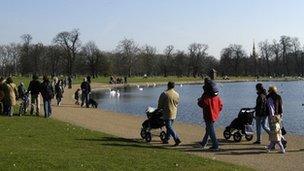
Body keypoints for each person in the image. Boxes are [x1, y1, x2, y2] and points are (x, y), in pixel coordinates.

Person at [197, 78, 223, 151]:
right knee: (208, 129)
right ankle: (203, 143)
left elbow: (202, 104)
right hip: (215, 114)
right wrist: (217, 111)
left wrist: (199, 101)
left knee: (211, 130)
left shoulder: (205, 95)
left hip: (208, 114)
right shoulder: (216, 95)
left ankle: (216, 145)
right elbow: (221, 105)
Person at [157, 81, 181, 146]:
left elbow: (160, 104)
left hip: (167, 112)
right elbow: (177, 103)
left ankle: (176, 138)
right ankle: (166, 139)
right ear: (174, 86)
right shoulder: (177, 94)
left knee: (168, 127)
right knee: (169, 127)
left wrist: (159, 109)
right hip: (174, 112)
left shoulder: (164, 94)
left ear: (168, 85)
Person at [265, 86, 285, 153]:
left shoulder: (269, 97)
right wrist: (281, 114)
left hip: (272, 116)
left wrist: (271, 116)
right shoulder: (279, 97)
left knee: (273, 130)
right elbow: (281, 106)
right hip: (278, 115)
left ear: (270, 90)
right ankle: (280, 140)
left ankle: (276, 144)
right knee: (277, 129)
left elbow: (271, 108)